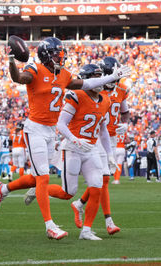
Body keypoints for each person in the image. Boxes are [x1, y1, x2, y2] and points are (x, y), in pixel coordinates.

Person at [0, 37, 131, 240]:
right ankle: (49, 225)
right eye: (57, 52)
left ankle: (3, 188)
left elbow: (89, 83)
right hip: (35, 129)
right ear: (47, 54)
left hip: (50, 132)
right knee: (43, 178)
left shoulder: (65, 75)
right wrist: (12, 61)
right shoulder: (36, 69)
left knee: (35, 178)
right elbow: (19, 78)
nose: (61, 55)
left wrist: (111, 77)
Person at [45, 64, 113, 240]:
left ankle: (86, 231)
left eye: (100, 76)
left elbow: (104, 131)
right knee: (68, 192)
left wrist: (110, 154)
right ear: (86, 78)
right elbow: (60, 124)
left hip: (91, 149)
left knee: (97, 186)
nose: (99, 80)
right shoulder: (76, 95)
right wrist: (75, 139)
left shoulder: (105, 100)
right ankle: (40, 189)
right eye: (94, 76)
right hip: (73, 149)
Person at [71, 57, 130, 235]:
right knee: (103, 180)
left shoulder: (122, 90)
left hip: (110, 139)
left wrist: (125, 124)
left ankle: (79, 203)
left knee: (102, 180)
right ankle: (108, 221)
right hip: (95, 138)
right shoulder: (95, 89)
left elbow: (125, 112)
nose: (114, 81)